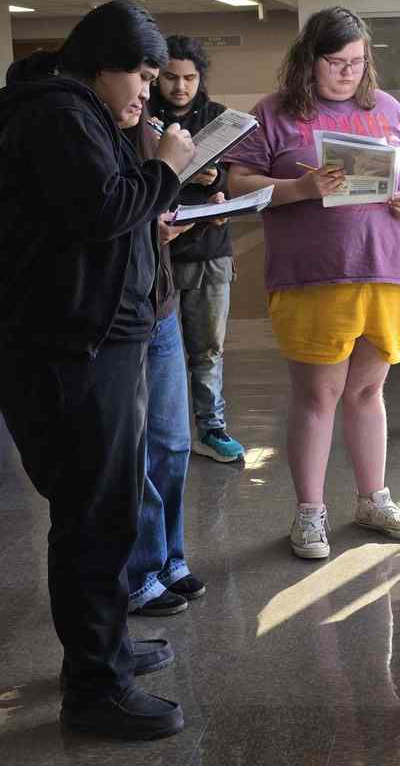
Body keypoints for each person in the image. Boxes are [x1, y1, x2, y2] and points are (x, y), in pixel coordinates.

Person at [0, 0, 195, 739]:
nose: (147, 90)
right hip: (70, 353)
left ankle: (101, 650)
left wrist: (154, 197)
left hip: (96, 345)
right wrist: (165, 170)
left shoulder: (83, 115)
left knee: (106, 513)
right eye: (140, 74)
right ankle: (96, 690)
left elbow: (102, 215)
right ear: (101, 65)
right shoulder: (57, 114)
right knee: (94, 519)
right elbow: (102, 207)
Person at [225, 6, 400, 559]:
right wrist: (303, 187)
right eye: (337, 62)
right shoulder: (274, 114)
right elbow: (240, 182)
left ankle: (373, 500)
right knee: (318, 395)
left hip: (385, 269)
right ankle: (309, 514)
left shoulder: (388, 109)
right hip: (313, 276)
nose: (348, 73)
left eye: (358, 63)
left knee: (369, 391)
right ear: (309, 61)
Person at [122, 110, 219, 617]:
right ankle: (141, 570)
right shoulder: (93, 137)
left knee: (173, 443)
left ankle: (169, 560)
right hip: (123, 315)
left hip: (161, 305)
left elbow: (150, 212)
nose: (145, 91)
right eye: (139, 76)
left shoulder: (149, 134)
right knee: (135, 452)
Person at [148, 35, 245, 463]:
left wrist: (216, 183)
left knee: (207, 349)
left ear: (200, 78)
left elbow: (237, 178)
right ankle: (163, 434)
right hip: (159, 254)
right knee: (160, 353)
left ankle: (211, 428)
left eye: (189, 77)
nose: (180, 86)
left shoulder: (218, 119)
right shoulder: (143, 117)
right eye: (170, 77)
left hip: (210, 251)